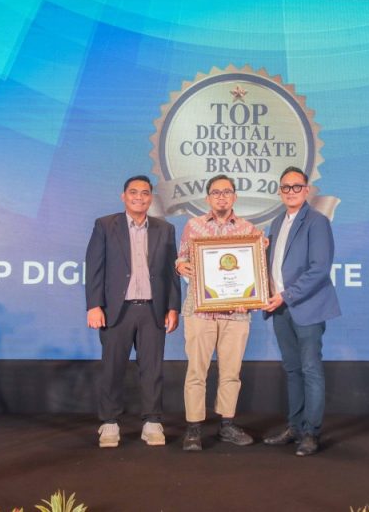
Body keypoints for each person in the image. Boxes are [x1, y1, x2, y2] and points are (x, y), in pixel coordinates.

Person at [85, 175, 181, 448]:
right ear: (123, 196)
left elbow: (171, 272)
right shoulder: (105, 225)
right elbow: (94, 268)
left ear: (151, 197)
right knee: (112, 369)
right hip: (117, 311)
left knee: (152, 370)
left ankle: (152, 422)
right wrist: (94, 305)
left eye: (145, 193)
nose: (139, 197)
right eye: (134, 192)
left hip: (152, 310)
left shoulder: (165, 229)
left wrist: (173, 307)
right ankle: (109, 423)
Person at [262, 166, 341, 456]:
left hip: (307, 307)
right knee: (293, 370)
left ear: (306, 190)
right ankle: (294, 426)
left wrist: (286, 295)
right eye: (286, 187)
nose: (291, 191)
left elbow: (319, 269)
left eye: (297, 186)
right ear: (280, 191)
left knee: (310, 369)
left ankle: (311, 432)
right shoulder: (276, 222)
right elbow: (274, 264)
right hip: (281, 308)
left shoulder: (317, 221)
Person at [175, 174, 258, 451]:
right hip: (200, 311)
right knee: (196, 371)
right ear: (207, 198)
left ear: (235, 196)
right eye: (216, 192)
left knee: (231, 372)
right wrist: (180, 265)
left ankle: (227, 425)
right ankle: (193, 428)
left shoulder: (249, 230)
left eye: (227, 191)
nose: (221, 196)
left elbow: (255, 270)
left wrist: (251, 294)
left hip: (236, 313)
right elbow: (182, 257)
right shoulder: (193, 226)